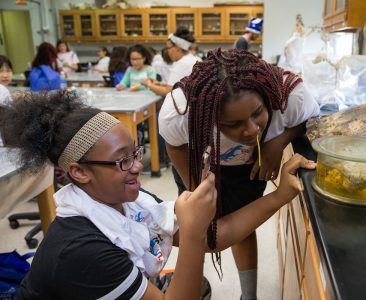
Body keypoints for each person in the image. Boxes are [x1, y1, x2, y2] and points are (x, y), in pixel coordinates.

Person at [0, 90, 315, 299]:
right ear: (79, 172)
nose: (138, 166)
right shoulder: (81, 251)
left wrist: (280, 195)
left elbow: (213, 238)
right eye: (123, 160)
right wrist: (191, 232)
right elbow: (199, 239)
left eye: (135, 152)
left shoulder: (128, 201)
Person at [158, 48, 320, 300]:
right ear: (208, 116)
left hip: (249, 165)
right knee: (196, 228)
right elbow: (173, 143)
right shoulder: (180, 111)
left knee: (242, 226)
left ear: (267, 97)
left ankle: (249, 296)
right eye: (232, 124)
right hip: (199, 162)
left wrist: (277, 143)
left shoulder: (290, 95)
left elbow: (310, 119)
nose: (251, 130)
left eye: (257, 113)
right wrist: (195, 186)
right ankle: (189, 285)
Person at [143, 27, 201, 96]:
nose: (167, 52)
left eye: (168, 48)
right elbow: (178, 85)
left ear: (177, 47)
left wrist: (149, 85)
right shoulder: (195, 59)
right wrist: (160, 84)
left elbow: (168, 91)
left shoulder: (182, 64)